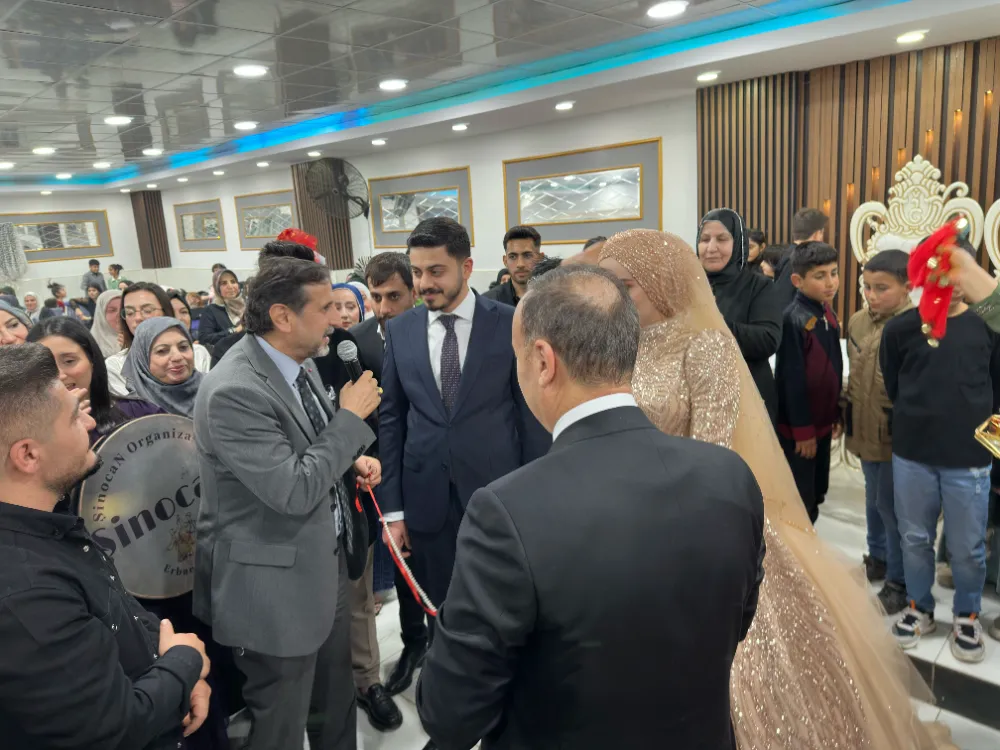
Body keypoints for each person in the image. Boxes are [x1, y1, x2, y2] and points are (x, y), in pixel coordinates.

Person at [598, 229, 945, 750]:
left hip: (693, 522)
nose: (616, 299)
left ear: (661, 281)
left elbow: (712, 451)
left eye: (626, 286)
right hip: (632, 519)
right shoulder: (623, 343)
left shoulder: (705, 345)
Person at [416, 263, 766, 749]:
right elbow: (737, 620)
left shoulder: (507, 511)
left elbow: (451, 714)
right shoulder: (730, 475)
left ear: (543, 360)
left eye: (517, 358)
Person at [193, 257, 382, 750]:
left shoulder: (299, 363)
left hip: (324, 563)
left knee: (334, 702)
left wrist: (350, 463)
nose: (337, 319)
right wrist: (350, 419)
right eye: (324, 308)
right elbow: (293, 490)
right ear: (282, 316)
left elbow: (309, 449)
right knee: (282, 719)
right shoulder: (234, 390)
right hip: (273, 587)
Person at [0, 343, 212, 750]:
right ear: (28, 454)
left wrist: (177, 681)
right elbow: (115, 727)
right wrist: (184, 662)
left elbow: (118, 613)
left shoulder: (48, 525)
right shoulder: (25, 594)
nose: (89, 422)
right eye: (72, 417)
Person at [379, 218, 549, 664]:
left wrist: (534, 501)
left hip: (498, 496)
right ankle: (448, 692)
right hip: (425, 499)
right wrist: (393, 510)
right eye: (417, 272)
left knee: (502, 610)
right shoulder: (401, 330)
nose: (424, 283)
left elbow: (530, 416)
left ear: (467, 267)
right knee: (441, 611)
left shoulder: (511, 323)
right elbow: (393, 419)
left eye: (436, 271)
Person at [881, 239, 1000, 663]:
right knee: (915, 538)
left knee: (967, 547)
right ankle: (920, 607)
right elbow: (894, 385)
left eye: (954, 269)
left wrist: (993, 453)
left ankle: (967, 614)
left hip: (970, 459)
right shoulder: (900, 329)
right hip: (913, 454)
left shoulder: (987, 326)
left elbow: (998, 395)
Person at [350, 252, 428, 701]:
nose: (383, 308)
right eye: (375, 297)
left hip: (428, 465)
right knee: (400, 563)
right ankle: (413, 643)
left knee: (434, 561)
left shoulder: (431, 331)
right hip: (381, 470)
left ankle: (442, 643)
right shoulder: (357, 340)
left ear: (413, 292)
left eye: (394, 296)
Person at [844, 250, 912, 614]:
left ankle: (899, 581)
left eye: (882, 288)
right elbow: (855, 373)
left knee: (892, 508)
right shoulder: (858, 322)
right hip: (864, 426)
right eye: (867, 287)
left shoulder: (915, 326)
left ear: (908, 286)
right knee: (873, 500)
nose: (872, 295)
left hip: (896, 436)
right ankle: (878, 558)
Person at [774, 241, 842, 523]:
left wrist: (836, 414)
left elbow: (833, 371)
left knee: (818, 490)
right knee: (801, 499)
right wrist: (802, 431)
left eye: (834, 273)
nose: (830, 282)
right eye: (820, 276)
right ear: (797, 281)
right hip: (801, 430)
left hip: (822, 424)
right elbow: (791, 379)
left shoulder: (827, 313)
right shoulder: (794, 319)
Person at [698, 209, 783, 421]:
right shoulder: (689, 287)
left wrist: (714, 321)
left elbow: (768, 339)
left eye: (722, 239)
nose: (711, 248)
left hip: (747, 401)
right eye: (705, 239)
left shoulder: (758, 286)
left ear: (738, 243)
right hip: (699, 401)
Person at [26, 317, 163, 445]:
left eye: (69, 361)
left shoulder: (140, 413)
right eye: (44, 365)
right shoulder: (26, 434)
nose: (59, 375)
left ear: (92, 361)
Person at [106, 282, 211, 397]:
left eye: (147, 310)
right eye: (129, 313)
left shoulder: (197, 353)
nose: (137, 318)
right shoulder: (116, 365)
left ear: (166, 312)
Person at [123, 318, 204, 418]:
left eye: (183, 347)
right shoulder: (129, 410)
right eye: (162, 351)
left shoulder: (213, 390)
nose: (177, 357)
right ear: (142, 359)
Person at [775, 208, 829, 311]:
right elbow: (783, 301)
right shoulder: (797, 260)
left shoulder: (790, 253)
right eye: (822, 233)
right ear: (817, 234)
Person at [484, 225, 542, 306]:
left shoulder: (555, 298)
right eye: (512, 257)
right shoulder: (488, 302)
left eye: (527, 256)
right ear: (505, 261)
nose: (520, 264)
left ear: (540, 258)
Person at [198, 269, 245, 347]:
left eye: (233, 282)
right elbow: (204, 339)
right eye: (224, 283)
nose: (230, 286)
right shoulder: (211, 310)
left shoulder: (247, 307)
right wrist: (235, 330)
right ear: (217, 288)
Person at [91, 289, 123, 358]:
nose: (120, 314)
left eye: (124, 309)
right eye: (112, 310)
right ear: (101, 314)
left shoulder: (138, 338)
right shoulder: (90, 345)